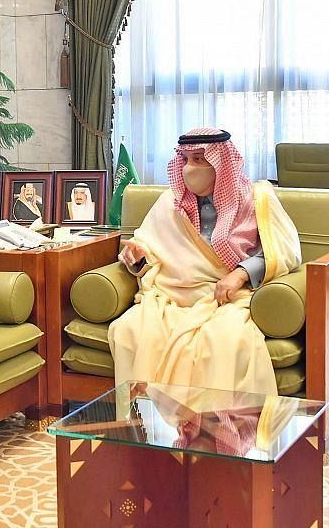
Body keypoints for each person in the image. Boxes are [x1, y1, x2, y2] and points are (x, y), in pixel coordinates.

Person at [108, 128, 302, 395]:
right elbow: (148, 253)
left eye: (199, 159)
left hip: (227, 297)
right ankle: (149, 415)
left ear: (219, 162)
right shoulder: (170, 202)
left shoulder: (257, 198)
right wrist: (138, 259)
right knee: (128, 330)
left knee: (225, 340)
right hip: (172, 296)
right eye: (185, 159)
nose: (189, 168)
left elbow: (284, 251)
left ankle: (217, 418)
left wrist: (241, 274)